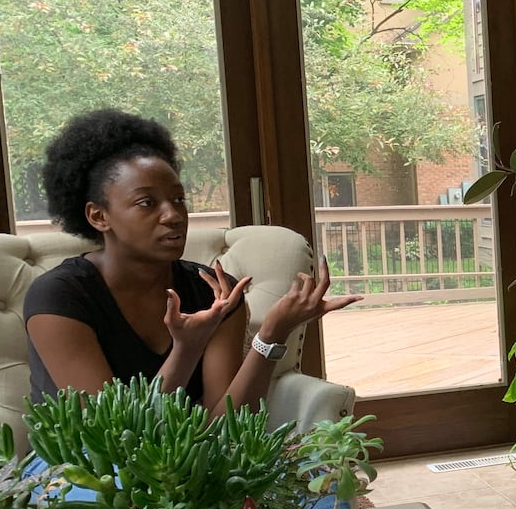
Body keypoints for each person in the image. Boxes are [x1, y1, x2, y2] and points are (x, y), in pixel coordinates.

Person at [24, 109, 357, 416]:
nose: (173, 215)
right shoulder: (58, 297)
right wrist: (186, 349)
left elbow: (227, 425)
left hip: (182, 467)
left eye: (178, 199)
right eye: (146, 203)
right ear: (99, 216)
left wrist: (272, 333)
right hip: (77, 471)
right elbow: (113, 434)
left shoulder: (215, 292)